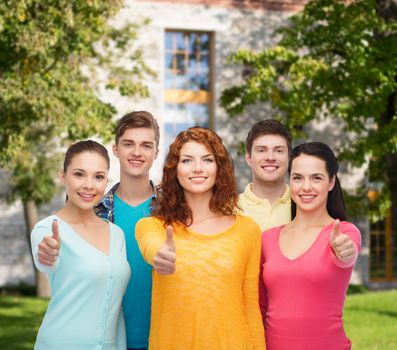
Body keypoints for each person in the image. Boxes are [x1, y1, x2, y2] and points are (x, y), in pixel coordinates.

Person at [136, 126, 265, 350]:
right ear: (174, 169)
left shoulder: (248, 230)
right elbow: (151, 246)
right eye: (187, 160)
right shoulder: (153, 227)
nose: (197, 168)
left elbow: (250, 307)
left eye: (207, 160)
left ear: (219, 168)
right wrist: (159, 255)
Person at [38, 111, 160, 350]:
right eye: (128, 144)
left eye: (146, 145)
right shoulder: (92, 211)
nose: (137, 152)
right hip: (108, 341)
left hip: (163, 338)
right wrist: (47, 254)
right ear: (115, 150)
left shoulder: (175, 212)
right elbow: (53, 254)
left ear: (156, 153)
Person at [259, 141, 361, 350]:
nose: (306, 187)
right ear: (290, 182)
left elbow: (347, 255)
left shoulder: (344, 233)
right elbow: (260, 306)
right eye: (298, 178)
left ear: (331, 181)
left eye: (316, 178)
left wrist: (345, 253)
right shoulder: (267, 239)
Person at [31, 140, 131, 350]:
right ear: (63, 176)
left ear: (106, 181)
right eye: (79, 174)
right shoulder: (47, 230)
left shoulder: (117, 234)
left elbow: (116, 306)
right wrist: (48, 254)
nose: (89, 185)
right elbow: (46, 260)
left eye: (98, 176)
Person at [239, 119, 292, 231]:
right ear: (248, 158)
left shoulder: (304, 206)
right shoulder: (228, 210)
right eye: (261, 150)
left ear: (289, 158)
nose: (270, 157)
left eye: (279, 150)